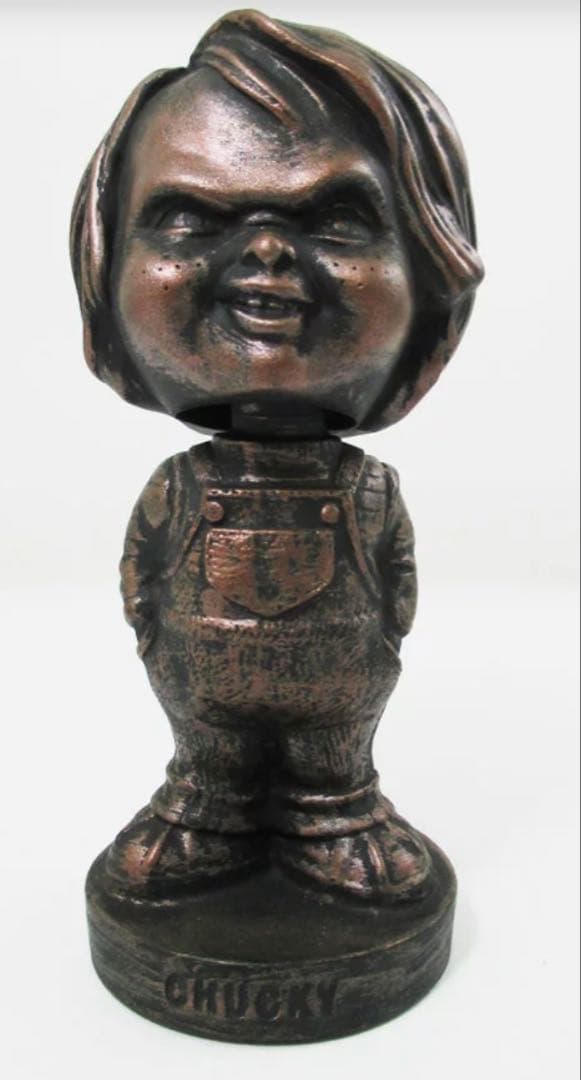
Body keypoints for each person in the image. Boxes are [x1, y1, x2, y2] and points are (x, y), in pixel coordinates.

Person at [71, 10, 483, 901]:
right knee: (208, 755)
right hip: (199, 683)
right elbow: (142, 569)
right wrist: (151, 624)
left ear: (431, 270)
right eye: (191, 217)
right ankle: (204, 803)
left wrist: (386, 619)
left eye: (334, 218)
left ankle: (338, 808)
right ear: (104, 266)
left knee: (334, 752)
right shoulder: (179, 487)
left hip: (341, 684)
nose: (263, 252)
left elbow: (396, 579)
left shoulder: (366, 490)